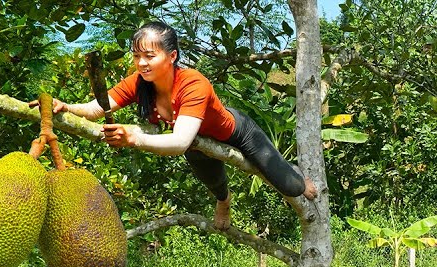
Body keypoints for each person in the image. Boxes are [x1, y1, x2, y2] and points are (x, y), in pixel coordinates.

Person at [39, 20, 317, 229]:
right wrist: (66, 107)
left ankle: (293, 172)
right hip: (196, 140)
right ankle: (224, 201)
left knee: (293, 188)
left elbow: (179, 141)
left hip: (236, 133)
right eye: (137, 56)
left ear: (171, 56)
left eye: (150, 56)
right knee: (215, 184)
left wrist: (133, 138)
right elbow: (97, 107)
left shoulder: (193, 82)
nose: (142, 63)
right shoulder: (139, 83)